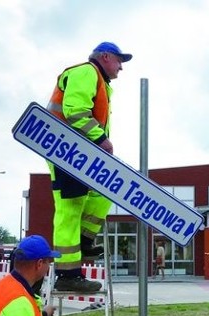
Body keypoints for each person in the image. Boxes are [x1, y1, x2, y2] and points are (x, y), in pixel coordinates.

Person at [46, 41, 132, 292]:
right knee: (70, 210)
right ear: (105, 57)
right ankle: (68, 275)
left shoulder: (100, 82)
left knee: (103, 192)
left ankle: (83, 241)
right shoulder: (86, 72)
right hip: (66, 150)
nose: (121, 67)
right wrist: (100, 139)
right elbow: (75, 111)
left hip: (80, 154)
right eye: (119, 60)